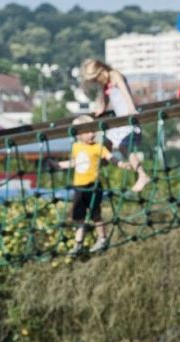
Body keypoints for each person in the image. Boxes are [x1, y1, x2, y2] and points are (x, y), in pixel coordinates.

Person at [55, 115, 134, 255]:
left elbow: (111, 158)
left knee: (95, 215)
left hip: (93, 186)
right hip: (79, 187)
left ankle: (102, 238)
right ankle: (78, 244)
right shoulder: (76, 147)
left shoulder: (99, 147)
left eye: (93, 131)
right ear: (78, 134)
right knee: (79, 217)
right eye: (86, 132)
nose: (91, 134)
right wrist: (58, 165)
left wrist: (122, 164)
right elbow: (74, 163)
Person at [80, 58, 149, 193]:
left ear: (102, 71)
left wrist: (131, 108)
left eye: (97, 78)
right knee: (106, 143)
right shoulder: (106, 83)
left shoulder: (114, 75)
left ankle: (142, 175)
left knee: (125, 147)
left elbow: (124, 91)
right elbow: (106, 98)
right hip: (120, 122)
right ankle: (102, 167)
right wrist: (101, 109)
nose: (98, 81)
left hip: (128, 119)